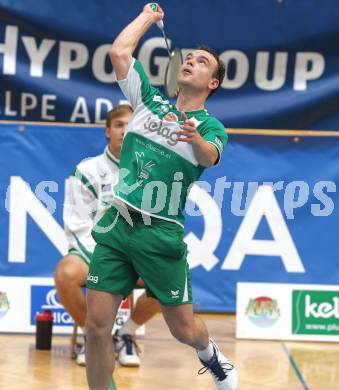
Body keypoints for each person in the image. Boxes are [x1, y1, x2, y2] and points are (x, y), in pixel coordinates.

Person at [85, 3, 238, 390]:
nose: (190, 61)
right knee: (96, 327)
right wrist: (148, 18)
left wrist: (197, 139)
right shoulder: (147, 103)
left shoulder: (211, 127)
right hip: (118, 224)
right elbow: (120, 52)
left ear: (212, 83)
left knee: (184, 329)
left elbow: (211, 157)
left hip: (160, 235)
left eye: (201, 62)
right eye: (189, 58)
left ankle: (211, 355)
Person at [54, 104, 160, 367]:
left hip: (135, 254)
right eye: (119, 125)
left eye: (131, 125)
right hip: (94, 252)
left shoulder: (153, 173)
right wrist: (109, 261)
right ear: (107, 132)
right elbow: (77, 224)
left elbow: (156, 224)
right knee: (65, 274)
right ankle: (93, 336)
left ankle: (125, 334)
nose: (125, 130)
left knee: (171, 277)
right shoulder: (87, 170)